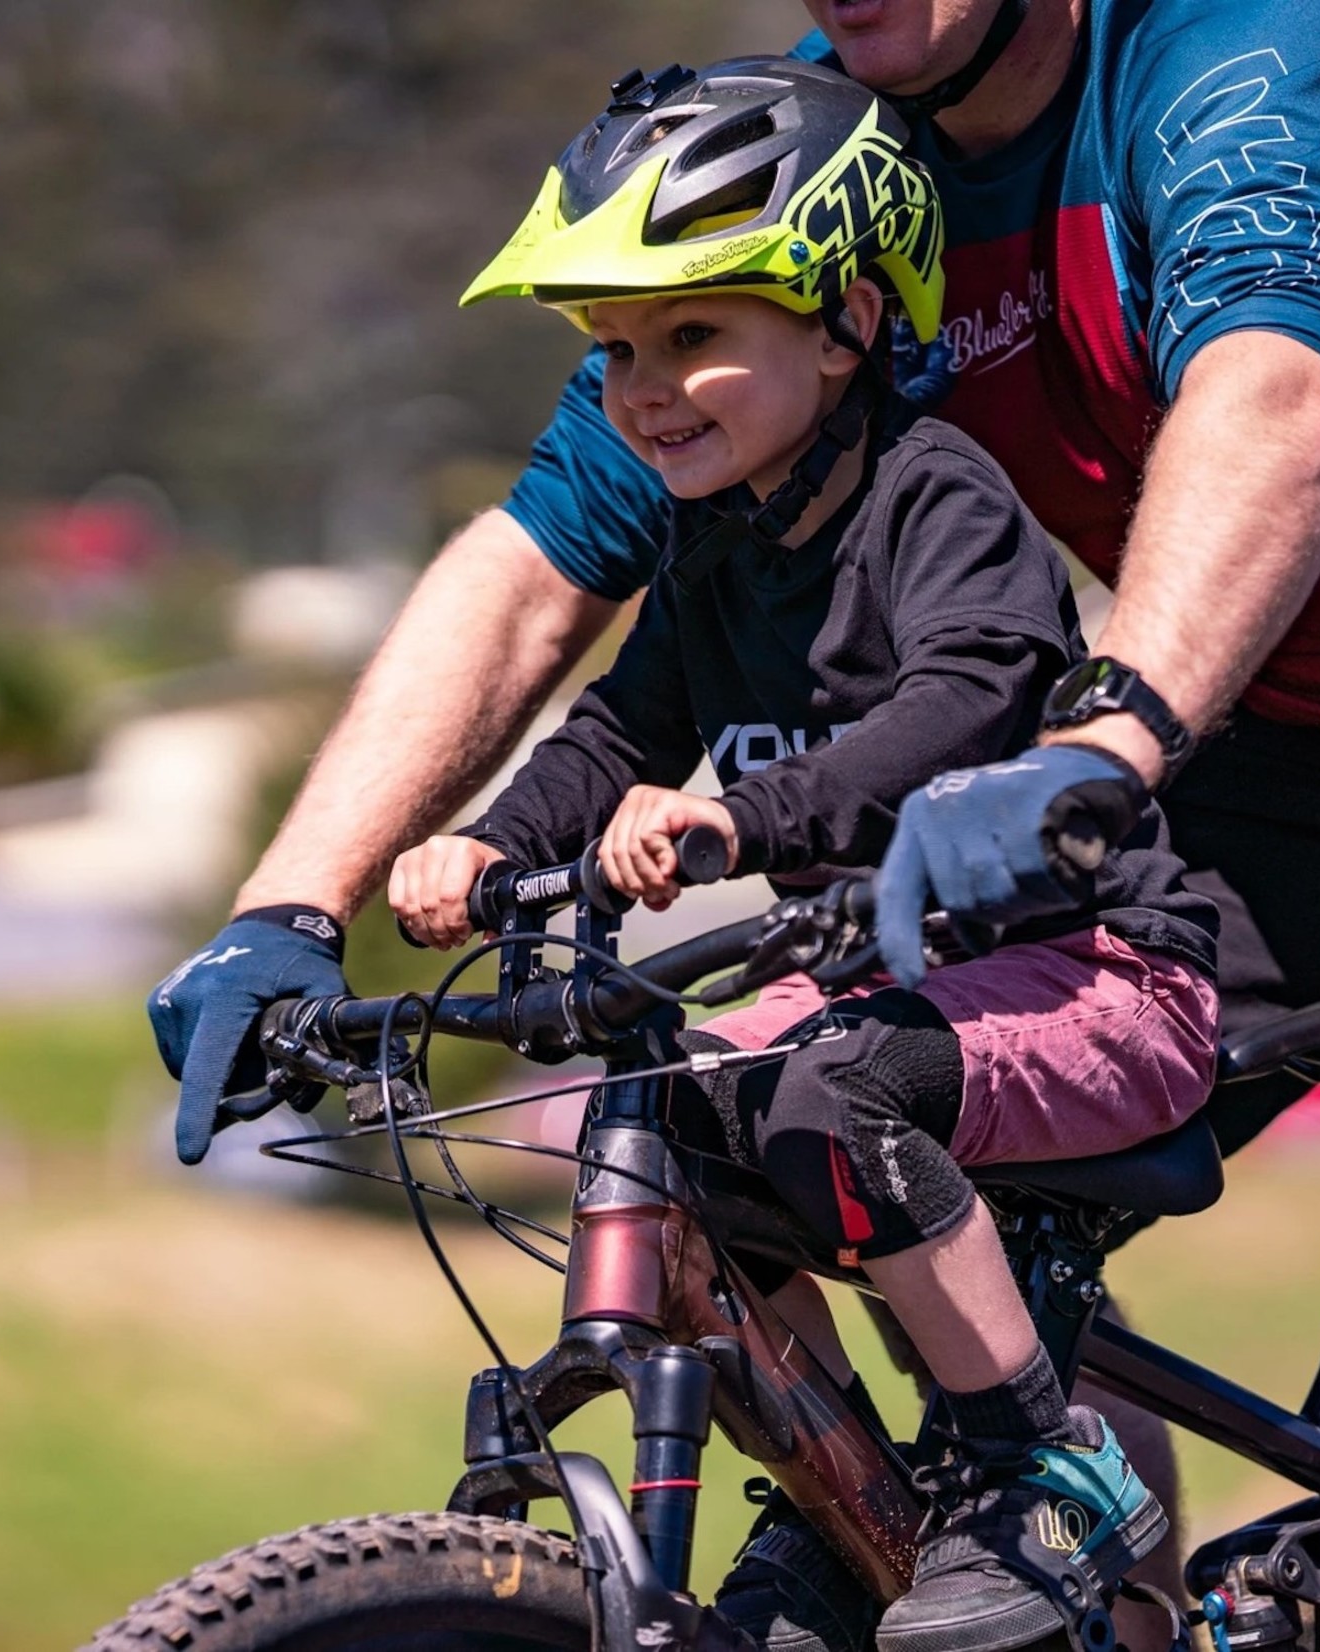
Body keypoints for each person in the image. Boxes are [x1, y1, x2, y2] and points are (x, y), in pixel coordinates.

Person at [148, 0, 1320, 1641]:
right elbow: (541, 562)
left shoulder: (1231, 48)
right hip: (1283, 753)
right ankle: (1061, 1564)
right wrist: (292, 903)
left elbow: (1274, 399)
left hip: (1300, 719)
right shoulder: (798, 168)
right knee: (914, 1169)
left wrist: (1102, 741)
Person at [384, 58, 1218, 1652]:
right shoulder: (716, 547)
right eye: (619, 349)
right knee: (673, 1129)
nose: (640, 388)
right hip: (902, 992)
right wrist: (486, 844)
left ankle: (1047, 1468)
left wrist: (740, 822)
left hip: (1102, 972)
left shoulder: (935, 491)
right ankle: (851, 1514)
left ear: (846, 322)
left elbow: (965, 709)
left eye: (696, 336)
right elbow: (615, 737)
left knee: (832, 1091)